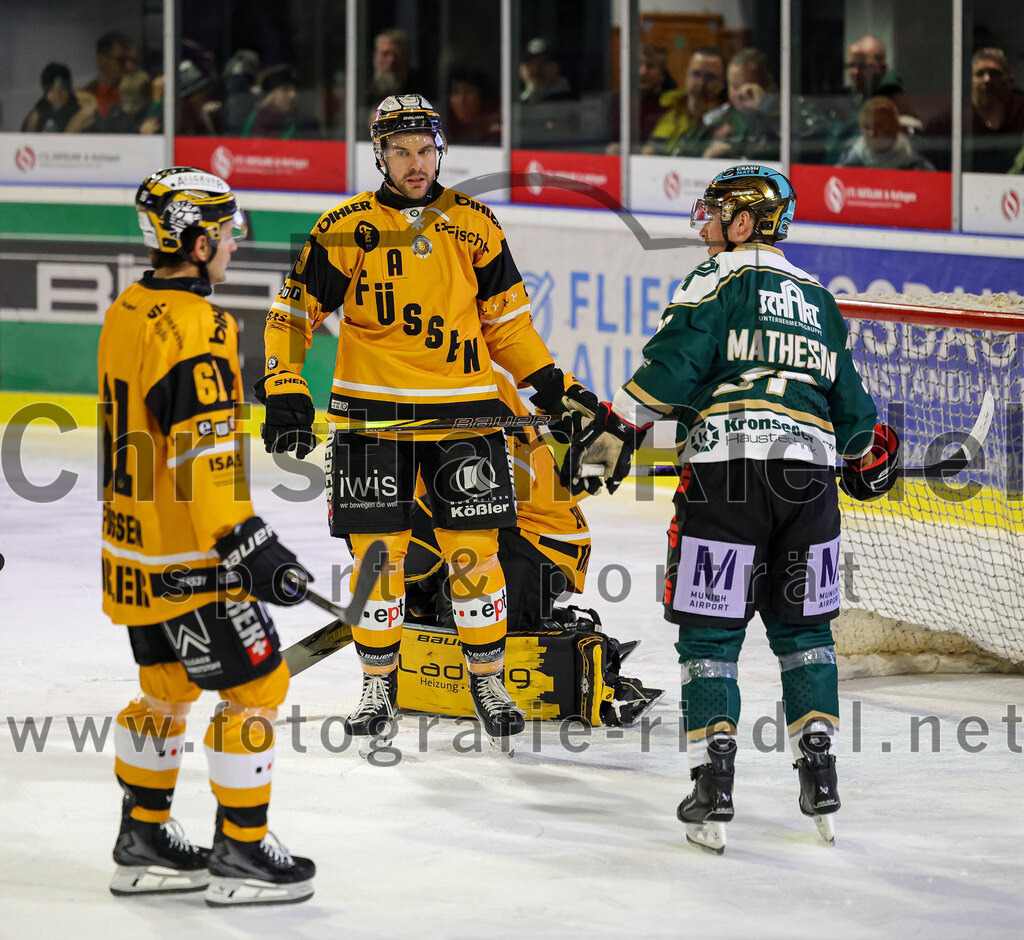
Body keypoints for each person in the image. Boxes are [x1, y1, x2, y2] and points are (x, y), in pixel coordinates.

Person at [561, 165, 899, 852]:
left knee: (711, 642)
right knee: (806, 635)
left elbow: (677, 365)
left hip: (726, 479)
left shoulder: (715, 279)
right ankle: (821, 776)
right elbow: (857, 422)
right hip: (809, 488)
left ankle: (713, 785)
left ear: (745, 222)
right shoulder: (817, 297)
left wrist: (621, 425)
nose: (707, 224)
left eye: (716, 212)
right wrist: (869, 456)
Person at [258, 93, 598, 751]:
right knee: (377, 563)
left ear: (439, 149)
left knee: (476, 558)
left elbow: (510, 327)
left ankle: (488, 683)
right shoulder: (343, 227)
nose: (416, 163)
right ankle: (378, 687)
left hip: (463, 419)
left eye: (425, 150)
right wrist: (284, 386)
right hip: (368, 421)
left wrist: (553, 387)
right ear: (380, 154)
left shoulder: (475, 224)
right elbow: (292, 315)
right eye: (401, 151)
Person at [100, 166, 317, 904]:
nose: (233, 244)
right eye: (225, 232)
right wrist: (248, 542)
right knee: (259, 686)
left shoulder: (128, 306)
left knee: (165, 688)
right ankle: (242, 853)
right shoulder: (202, 326)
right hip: (193, 558)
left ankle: (143, 836)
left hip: (132, 552)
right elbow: (204, 455)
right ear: (196, 241)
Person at [925, 48, 1024, 173]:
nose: (987, 79)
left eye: (994, 73)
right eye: (980, 74)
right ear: (969, 82)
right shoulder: (947, 122)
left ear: (1009, 80)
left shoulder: (1020, 113)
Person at [823, 35, 916, 164]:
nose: (855, 72)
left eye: (864, 66)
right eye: (851, 65)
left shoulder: (894, 107)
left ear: (882, 68)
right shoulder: (849, 102)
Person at [644, 47, 727, 155]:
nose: (701, 84)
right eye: (696, 74)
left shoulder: (726, 120)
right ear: (686, 76)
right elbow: (653, 147)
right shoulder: (670, 109)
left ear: (722, 84)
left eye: (710, 77)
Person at [838, 96, 935, 170]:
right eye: (866, 127)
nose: (872, 133)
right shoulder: (850, 158)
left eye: (878, 125)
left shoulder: (917, 155)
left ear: (894, 127)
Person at [365, 28, 432, 107]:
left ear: (407, 56)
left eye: (397, 55)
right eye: (385, 54)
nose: (391, 60)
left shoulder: (423, 90)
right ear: (375, 56)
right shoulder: (364, 90)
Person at [20, 62, 93, 133]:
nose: (50, 97)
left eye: (59, 89)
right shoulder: (42, 109)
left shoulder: (83, 113)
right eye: (48, 91)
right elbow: (26, 137)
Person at [82, 30, 137, 119]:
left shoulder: (138, 96)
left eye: (132, 60)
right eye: (121, 60)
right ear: (101, 60)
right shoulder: (85, 96)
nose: (129, 66)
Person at [519, 37, 575, 104]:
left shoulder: (563, 88)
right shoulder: (514, 89)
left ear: (555, 66)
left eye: (542, 64)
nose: (536, 69)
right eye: (531, 64)